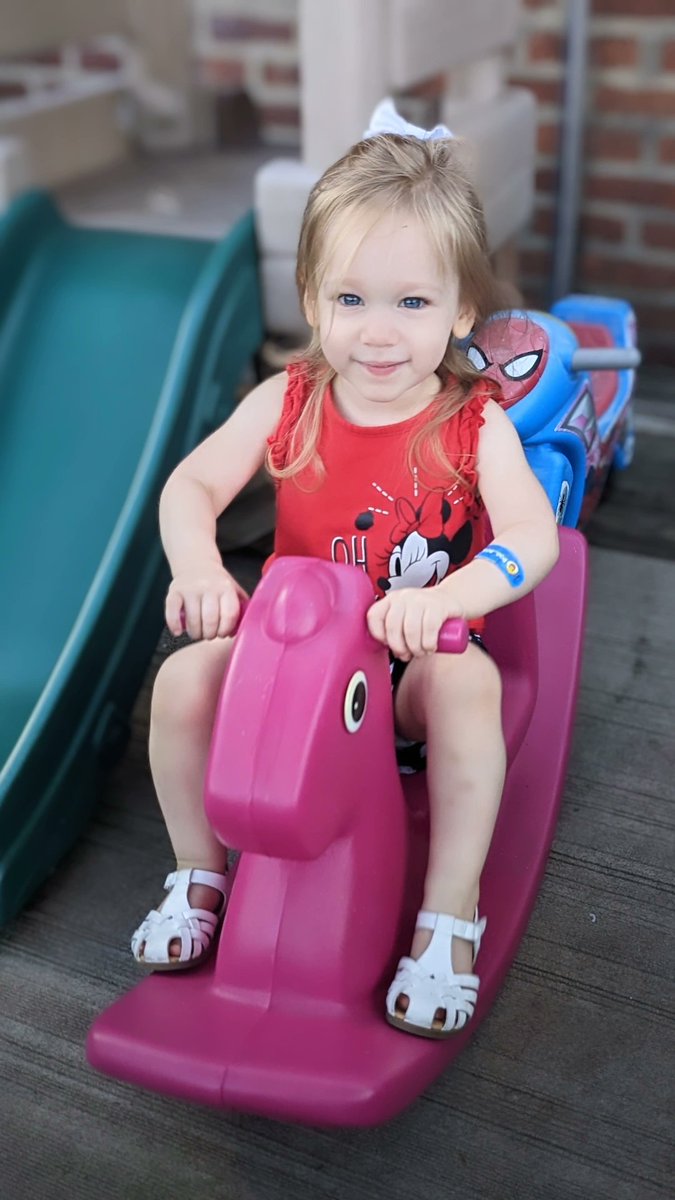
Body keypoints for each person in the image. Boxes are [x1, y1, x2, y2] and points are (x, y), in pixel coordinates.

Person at [131, 99, 559, 1039]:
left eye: (411, 303)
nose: (375, 332)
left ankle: (448, 912)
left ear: (460, 311)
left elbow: (533, 537)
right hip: (290, 670)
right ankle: (199, 872)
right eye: (350, 300)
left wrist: (451, 596)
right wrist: (199, 567)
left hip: (403, 671)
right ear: (312, 297)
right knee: (181, 684)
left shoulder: (469, 421)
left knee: (465, 688)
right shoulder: (289, 399)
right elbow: (190, 487)